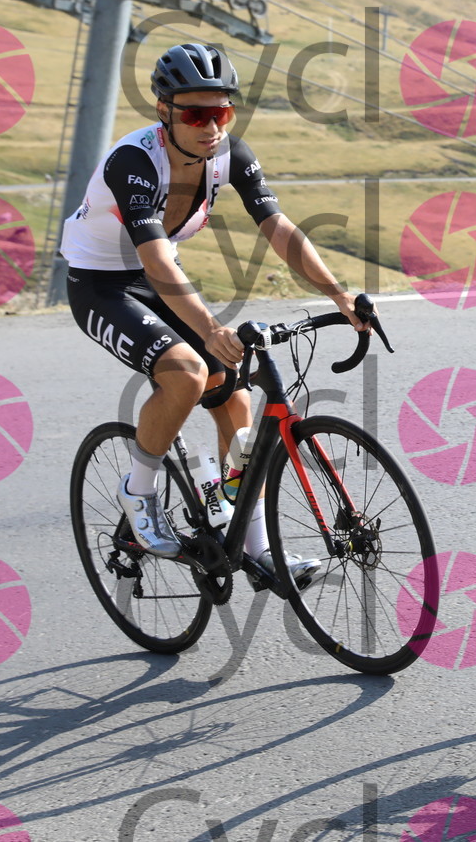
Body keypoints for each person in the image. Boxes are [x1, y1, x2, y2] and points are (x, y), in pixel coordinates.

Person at [61, 41, 366, 585]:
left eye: (221, 113)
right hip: (101, 284)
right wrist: (210, 328)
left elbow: (277, 227)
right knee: (187, 372)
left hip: (160, 277)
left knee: (235, 397)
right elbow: (155, 259)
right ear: (164, 111)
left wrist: (339, 295)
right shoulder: (135, 161)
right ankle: (139, 494)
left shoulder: (230, 155)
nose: (210, 127)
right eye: (195, 115)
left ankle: (255, 545)